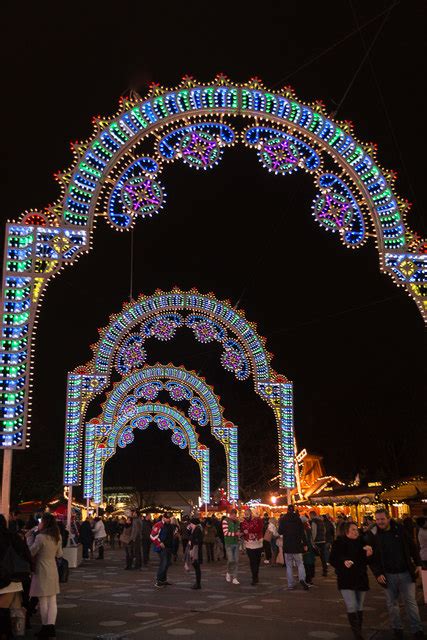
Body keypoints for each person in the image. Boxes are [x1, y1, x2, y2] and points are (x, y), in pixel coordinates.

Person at [368, 509, 424, 639]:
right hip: (387, 574)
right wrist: (377, 573)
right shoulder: (373, 534)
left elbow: (412, 546)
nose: (380, 522)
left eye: (382, 519)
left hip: (405, 572)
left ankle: (417, 629)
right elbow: (372, 558)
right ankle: (397, 628)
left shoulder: (400, 529)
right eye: (377, 519)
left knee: (410, 602)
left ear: (388, 518)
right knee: (392, 604)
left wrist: (418, 564)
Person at [329, 521, 373, 639]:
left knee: (359, 606)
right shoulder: (339, 543)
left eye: (356, 529)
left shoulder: (362, 542)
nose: (356, 531)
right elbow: (332, 559)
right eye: (353, 529)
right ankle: (357, 634)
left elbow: (367, 561)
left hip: (361, 577)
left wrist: (369, 553)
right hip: (346, 579)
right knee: (352, 605)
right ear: (346, 531)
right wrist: (344, 562)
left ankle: (358, 628)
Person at [26, 513, 63, 639]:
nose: (39, 524)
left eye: (41, 522)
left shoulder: (40, 537)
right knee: (52, 600)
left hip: (41, 569)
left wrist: (29, 538)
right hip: (53, 569)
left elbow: (31, 552)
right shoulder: (57, 537)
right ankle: (51, 626)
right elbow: (59, 554)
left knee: (43, 600)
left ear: (45, 523)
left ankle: (45, 627)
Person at [0, 513, 31, 640]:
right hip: (14, 580)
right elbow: (26, 556)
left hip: (3, 580)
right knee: (9, 610)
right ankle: (10, 633)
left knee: (2, 611)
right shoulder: (14, 537)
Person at [278, 505, 309, 591]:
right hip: (297, 545)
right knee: (300, 564)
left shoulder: (283, 519)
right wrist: (305, 544)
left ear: (287, 510)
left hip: (287, 545)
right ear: (294, 510)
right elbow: (302, 532)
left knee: (289, 565)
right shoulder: (298, 519)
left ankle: (290, 584)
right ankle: (302, 579)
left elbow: (280, 531)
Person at [150, 513, 174, 588]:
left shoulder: (169, 525)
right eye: (167, 518)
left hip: (168, 546)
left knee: (166, 564)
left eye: (169, 518)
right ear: (163, 518)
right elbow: (152, 536)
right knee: (164, 563)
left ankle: (163, 580)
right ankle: (159, 581)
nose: (169, 519)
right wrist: (159, 543)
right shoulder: (158, 525)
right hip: (162, 547)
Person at [240, 508, 263, 585]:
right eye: (245, 514)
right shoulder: (243, 522)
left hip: (257, 543)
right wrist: (243, 532)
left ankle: (256, 575)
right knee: (252, 561)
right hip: (249, 544)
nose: (246, 515)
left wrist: (249, 530)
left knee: (257, 561)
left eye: (248, 513)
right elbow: (243, 530)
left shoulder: (257, 520)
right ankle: (254, 577)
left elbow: (259, 528)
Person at [222, 509, 240, 584]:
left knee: (236, 560)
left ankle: (235, 577)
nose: (234, 517)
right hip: (228, 543)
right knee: (230, 560)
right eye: (233, 515)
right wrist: (235, 534)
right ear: (230, 514)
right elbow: (225, 533)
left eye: (235, 515)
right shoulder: (225, 521)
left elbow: (238, 530)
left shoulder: (237, 522)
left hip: (236, 543)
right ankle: (229, 572)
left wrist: (239, 535)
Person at [309, 510, 328, 576]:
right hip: (323, 540)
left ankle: (312, 571)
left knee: (313, 556)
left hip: (317, 541)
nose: (310, 517)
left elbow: (314, 532)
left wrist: (313, 540)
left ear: (312, 515)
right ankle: (325, 569)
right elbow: (325, 530)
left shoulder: (314, 521)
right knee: (323, 556)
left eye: (310, 515)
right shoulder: (321, 521)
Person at [188, 518, 203, 589]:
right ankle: (197, 583)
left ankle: (198, 584)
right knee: (196, 567)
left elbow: (197, 540)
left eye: (191, 523)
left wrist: (191, 541)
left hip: (196, 551)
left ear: (194, 523)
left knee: (197, 567)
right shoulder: (195, 529)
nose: (190, 525)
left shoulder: (197, 530)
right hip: (195, 550)